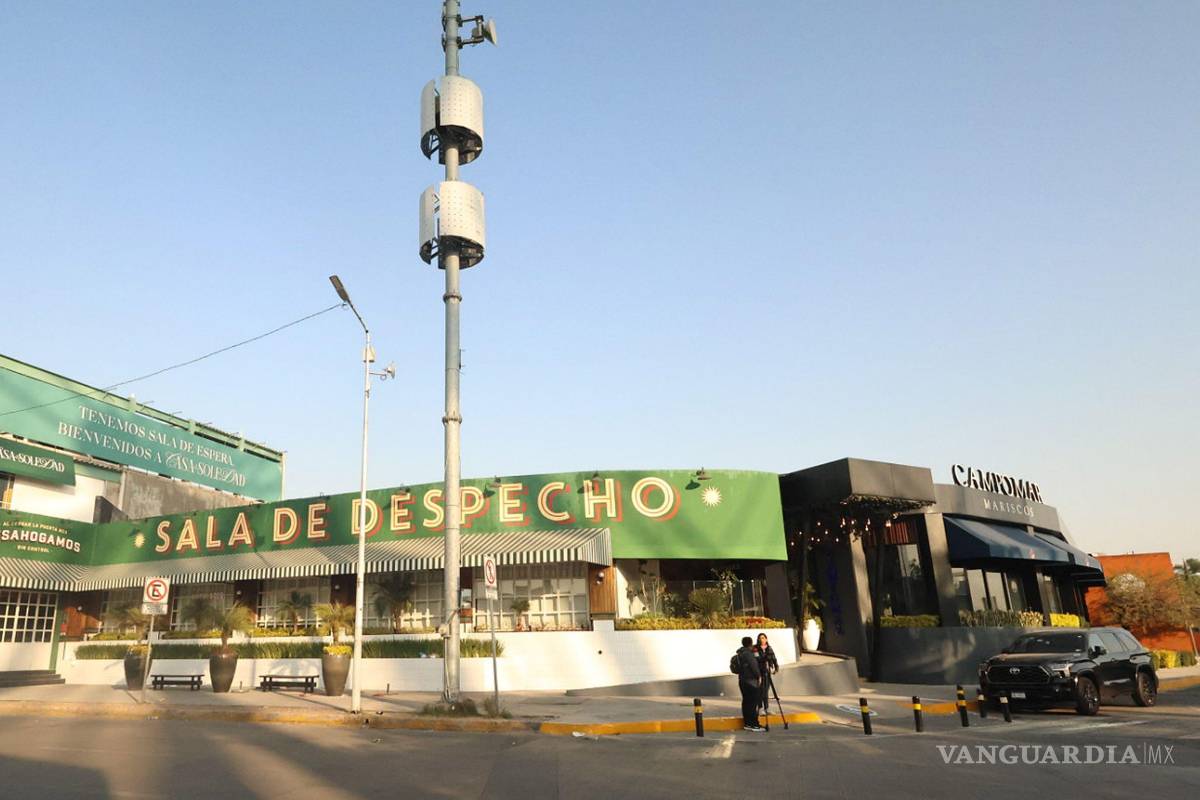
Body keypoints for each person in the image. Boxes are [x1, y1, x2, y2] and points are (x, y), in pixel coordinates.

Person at [735, 636, 764, 731]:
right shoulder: (749, 654)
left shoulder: (740, 653)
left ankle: (747, 723)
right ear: (751, 644)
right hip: (751, 682)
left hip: (742, 680)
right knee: (753, 703)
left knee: (746, 702)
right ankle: (754, 724)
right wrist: (759, 676)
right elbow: (754, 666)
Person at [754, 632, 779, 717]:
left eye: (764, 638)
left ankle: (767, 708)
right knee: (760, 691)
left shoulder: (769, 648)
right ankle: (760, 708)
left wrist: (776, 667)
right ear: (758, 639)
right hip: (759, 672)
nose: (762, 639)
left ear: (766, 639)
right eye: (760, 638)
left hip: (767, 672)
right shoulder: (756, 648)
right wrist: (765, 658)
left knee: (766, 690)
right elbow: (757, 659)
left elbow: (774, 658)